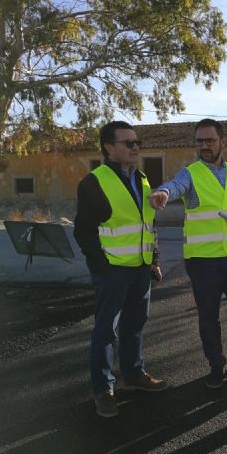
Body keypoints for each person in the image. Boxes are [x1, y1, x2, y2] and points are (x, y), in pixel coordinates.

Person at [148, 118, 227, 389]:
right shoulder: (191, 174)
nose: (204, 146)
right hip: (203, 261)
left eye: (210, 140)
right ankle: (216, 367)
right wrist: (163, 192)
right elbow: (175, 185)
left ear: (223, 142)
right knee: (209, 318)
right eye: (199, 141)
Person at [74, 121, 167, 418]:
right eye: (128, 143)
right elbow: (84, 232)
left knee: (135, 324)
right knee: (105, 331)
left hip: (140, 269)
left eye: (136, 141)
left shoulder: (142, 178)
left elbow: (147, 224)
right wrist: (101, 268)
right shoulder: (94, 182)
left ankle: (133, 375)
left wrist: (153, 259)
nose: (135, 147)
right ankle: (104, 389)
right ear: (109, 148)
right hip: (112, 271)